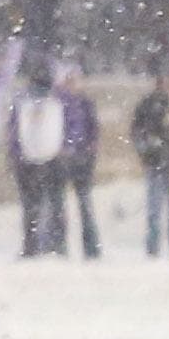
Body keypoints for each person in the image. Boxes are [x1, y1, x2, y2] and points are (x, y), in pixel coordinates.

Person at [6, 57, 63, 257]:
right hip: (34, 158)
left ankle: (45, 245)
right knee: (37, 205)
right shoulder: (37, 103)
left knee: (39, 205)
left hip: (42, 157)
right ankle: (40, 246)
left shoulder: (50, 103)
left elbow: (13, 131)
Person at [133, 69, 169, 257]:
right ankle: (154, 248)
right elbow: (137, 131)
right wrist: (146, 150)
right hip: (156, 161)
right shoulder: (148, 105)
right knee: (155, 209)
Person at [57, 66, 100, 258]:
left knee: (84, 204)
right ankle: (59, 245)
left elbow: (93, 130)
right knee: (58, 205)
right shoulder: (58, 102)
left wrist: (89, 150)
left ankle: (91, 248)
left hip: (81, 159)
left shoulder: (85, 103)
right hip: (63, 159)